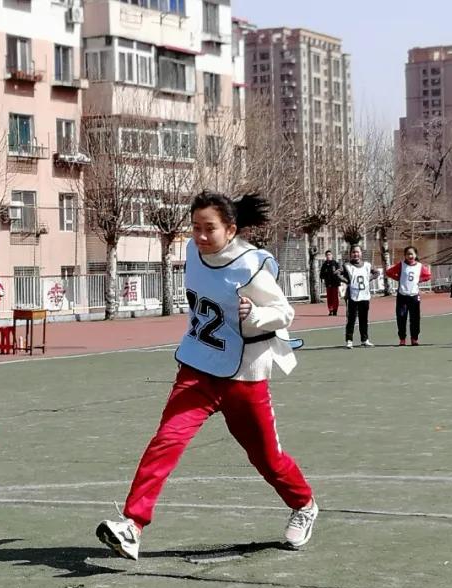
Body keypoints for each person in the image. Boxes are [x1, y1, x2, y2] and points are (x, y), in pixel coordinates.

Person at [95, 191, 317, 561]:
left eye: (209, 229)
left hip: (243, 376)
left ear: (230, 229)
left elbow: (284, 313)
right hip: (197, 369)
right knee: (166, 441)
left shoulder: (252, 265)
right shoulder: (191, 251)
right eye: (195, 227)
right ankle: (132, 526)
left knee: (266, 458)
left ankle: (304, 504)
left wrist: (255, 315)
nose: (200, 236)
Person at [385, 246, 432, 346]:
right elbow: (389, 272)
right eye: (408, 254)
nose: (410, 256)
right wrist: (398, 278)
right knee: (401, 317)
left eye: (412, 254)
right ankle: (402, 339)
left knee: (415, 318)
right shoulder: (401, 265)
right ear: (405, 255)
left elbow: (428, 276)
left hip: (414, 296)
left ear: (415, 255)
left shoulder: (419, 266)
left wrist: (420, 280)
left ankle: (414, 338)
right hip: (402, 295)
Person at [339, 245, 380, 349]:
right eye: (353, 252)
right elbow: (336, 273)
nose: (355, 254)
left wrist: (369, 278)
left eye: (357, 252)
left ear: (361, 253)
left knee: (364, 319)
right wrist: (346, 281)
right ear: (350, 254)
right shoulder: (347, 266)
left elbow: (377, 272)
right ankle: (349, 340)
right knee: (351, 319)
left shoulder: (367, 265)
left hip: (365, 296)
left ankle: (364, 340)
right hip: (352, 297)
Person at [319, 250, 342, 316]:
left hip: (335, 283)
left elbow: (340, 272)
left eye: (329, 254)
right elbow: (321, 274)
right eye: (327, 255)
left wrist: (338, 277)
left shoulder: (335, 263)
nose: (328, 256)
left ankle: (335, 310)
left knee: (335, 297)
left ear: (332, 255)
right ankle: (330, 310)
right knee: (329, 297)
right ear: (325, 256)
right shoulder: (324, 265)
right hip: (328, 283)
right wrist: (323, 278)